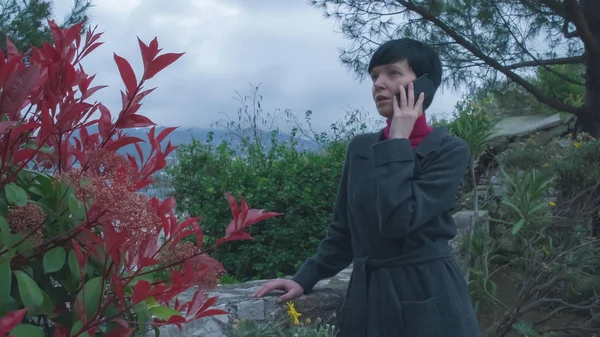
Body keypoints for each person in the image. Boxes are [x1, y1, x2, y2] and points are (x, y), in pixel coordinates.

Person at [251, 38, 481, 337]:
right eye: (374, 76)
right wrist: (304, 278)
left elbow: (401, 217)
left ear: (424, 86)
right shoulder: (361, 148)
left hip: (429, 292)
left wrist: (398, 140)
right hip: (367, 297)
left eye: (393, 73)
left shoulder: (449, 150)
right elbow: (343, 232)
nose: (378, 84)